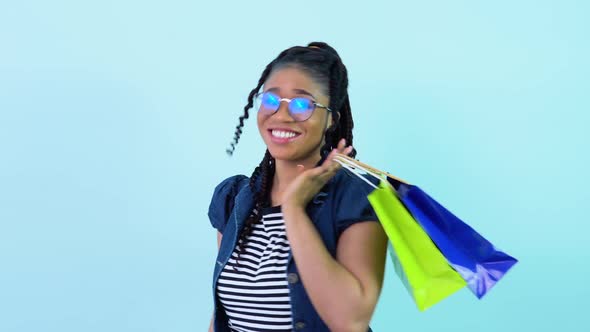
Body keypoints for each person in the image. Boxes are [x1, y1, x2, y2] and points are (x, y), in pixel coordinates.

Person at [208, 42, 388, 332]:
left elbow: (350, 321)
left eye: (302, 104)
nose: (282, 115)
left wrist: (293, 209)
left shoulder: (356, 199)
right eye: (270, 100)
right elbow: (222, 319)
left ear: (331, 118)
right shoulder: (235, 200)